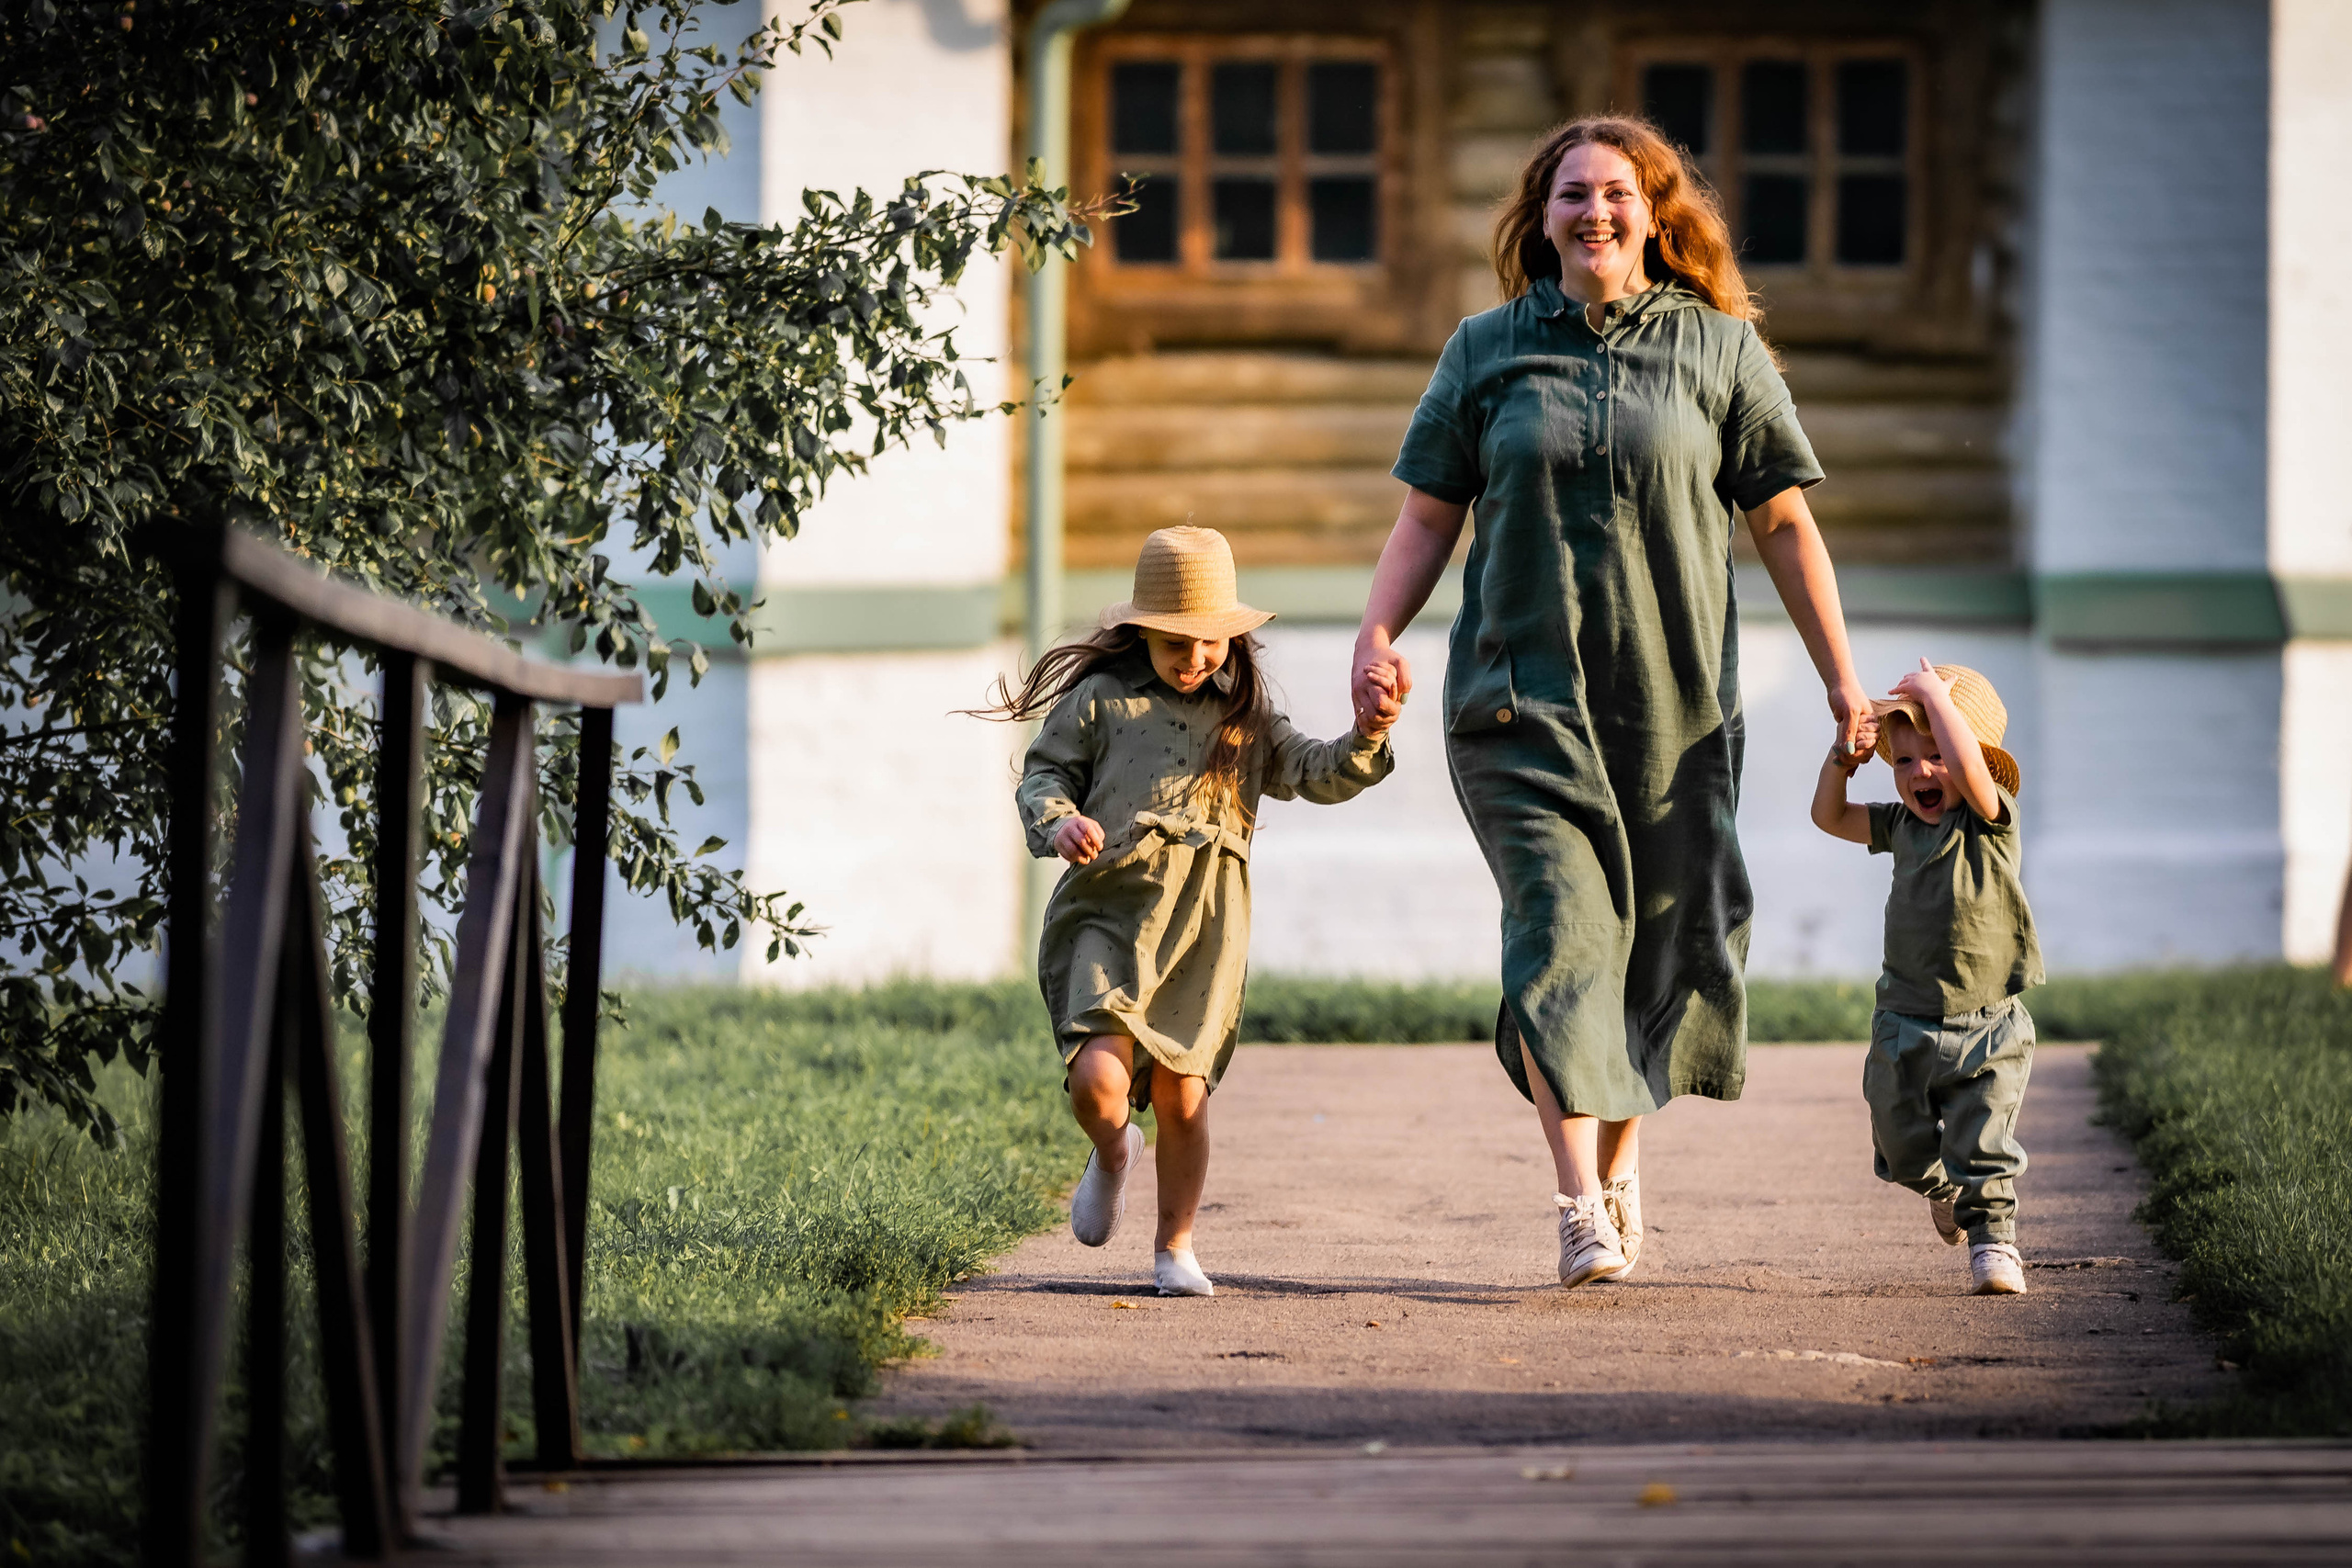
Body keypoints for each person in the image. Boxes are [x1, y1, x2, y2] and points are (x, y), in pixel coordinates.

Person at [1351, 116, 1874, 1289]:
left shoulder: (1719, 352)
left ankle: (1624, 1160)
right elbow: (1428, 516)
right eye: (1571, 195)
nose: (1595, 212)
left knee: (1660, 949)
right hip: (1514, 700)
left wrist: (1843, 680)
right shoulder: (1484, 352)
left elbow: (1784, 523)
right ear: (1539, 220)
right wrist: (1376, 632)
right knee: (1561, 938)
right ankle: (1578, 1202)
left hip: (1674, 710)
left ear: (1657, 213)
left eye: (1618, 193)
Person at [978, 525, 1400, 1298]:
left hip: (1203, 928)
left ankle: (1175, 1245)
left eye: (1213, 641)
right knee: (1099, 1085)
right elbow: (1043, 777)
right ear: (1139, 629)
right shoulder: (1102, 701)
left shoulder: (1243, 715)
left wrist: (1368, 733)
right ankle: (1112, 1151)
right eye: (1177, 641)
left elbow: (1314, 769)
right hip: (1111, 908)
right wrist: (1060, 822)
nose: (1197, 656)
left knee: (1183, 1092)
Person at [1811, 659, 2044, 1295]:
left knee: (1984, 1143)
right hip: (1904, 1019)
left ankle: (1993, 1240)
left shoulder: (1991, 820)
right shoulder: (1901, 824)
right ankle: (1942, 1188)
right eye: (1906, 760)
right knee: (1901, 1144)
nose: (1921, 772)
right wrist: (1843, 757)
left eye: (1937, 754)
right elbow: (1829, 817)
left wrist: (1937, 699)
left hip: (1988, 1023)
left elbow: (1970, 770)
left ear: (1970, 759)